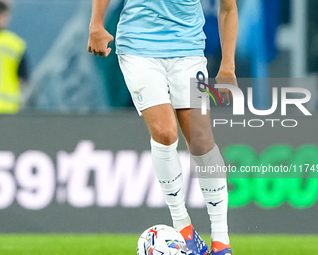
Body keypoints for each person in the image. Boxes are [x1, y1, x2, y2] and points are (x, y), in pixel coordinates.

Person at [88, 0, 238, 254]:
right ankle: (184, 228)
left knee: (201, 140)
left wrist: (227, 66)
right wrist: (96, 23)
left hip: (189, 51)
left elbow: (228, 8)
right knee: (165, 132)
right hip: (138, 47)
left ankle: (221, 241)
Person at [0, 0, 28, 114]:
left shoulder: (16, 44)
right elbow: (22, 78)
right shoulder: (15, 44)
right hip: (9, 109)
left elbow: (21, 77)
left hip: (9, 110)